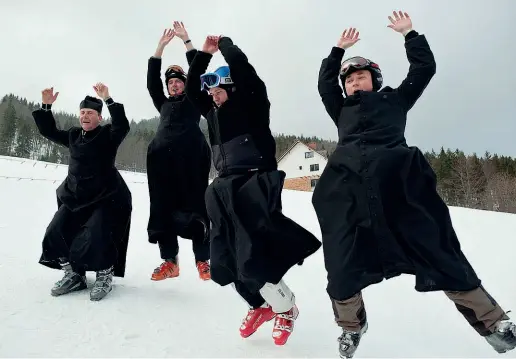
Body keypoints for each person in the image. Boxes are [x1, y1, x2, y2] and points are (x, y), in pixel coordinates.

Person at [313, 10, 515, 358]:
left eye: (360, 77)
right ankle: (351, 327)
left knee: (439, 252)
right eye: (348, 81)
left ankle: (494, 323)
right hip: (349, 196)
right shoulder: (341, 109)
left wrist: (410, 34)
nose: (353, 84)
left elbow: (423, 70)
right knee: (342, 265)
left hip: (400, 189)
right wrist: (336, 51)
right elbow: (323, 85)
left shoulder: (395, 99)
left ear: (374, 79)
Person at [184, 34, 321, 345]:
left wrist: (225, 47)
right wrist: (203, 55)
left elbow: (245, 72)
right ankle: (259, 305)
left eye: (219, 90)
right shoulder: (212, 114)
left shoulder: (253, 105)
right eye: (212, 92)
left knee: (252, 255)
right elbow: (193, 90)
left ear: (232, 88)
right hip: (222, 188)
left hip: (254, 183)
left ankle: (285, 309)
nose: (214, 96)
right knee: (224, 259)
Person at [32, 83, 132, 302]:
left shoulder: (107, 134)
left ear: (99, 117)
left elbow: (122, 126)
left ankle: (105, 274)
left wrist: (108, 99)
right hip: (75, 197)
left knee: (96, 234)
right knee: (54, 232)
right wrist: (46, 106)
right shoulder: (74, 135)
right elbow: (48, 131)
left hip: (105, 197)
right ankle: (74, 275)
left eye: (90, 113)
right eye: (83, 113)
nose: (85, 116)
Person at [146, 21, 212, 281]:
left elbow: (197, 72)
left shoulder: (194, 99)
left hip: (191, 160)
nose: (174, 85)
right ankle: (170, 262)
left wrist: (187, 41)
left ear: (186, 85)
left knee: (196, 205)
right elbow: (152, 82)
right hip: (162, 161)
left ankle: (203, 261)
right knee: (162, 208)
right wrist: (160, 48)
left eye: (179, 82)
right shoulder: (162, 103)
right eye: (171, 82)